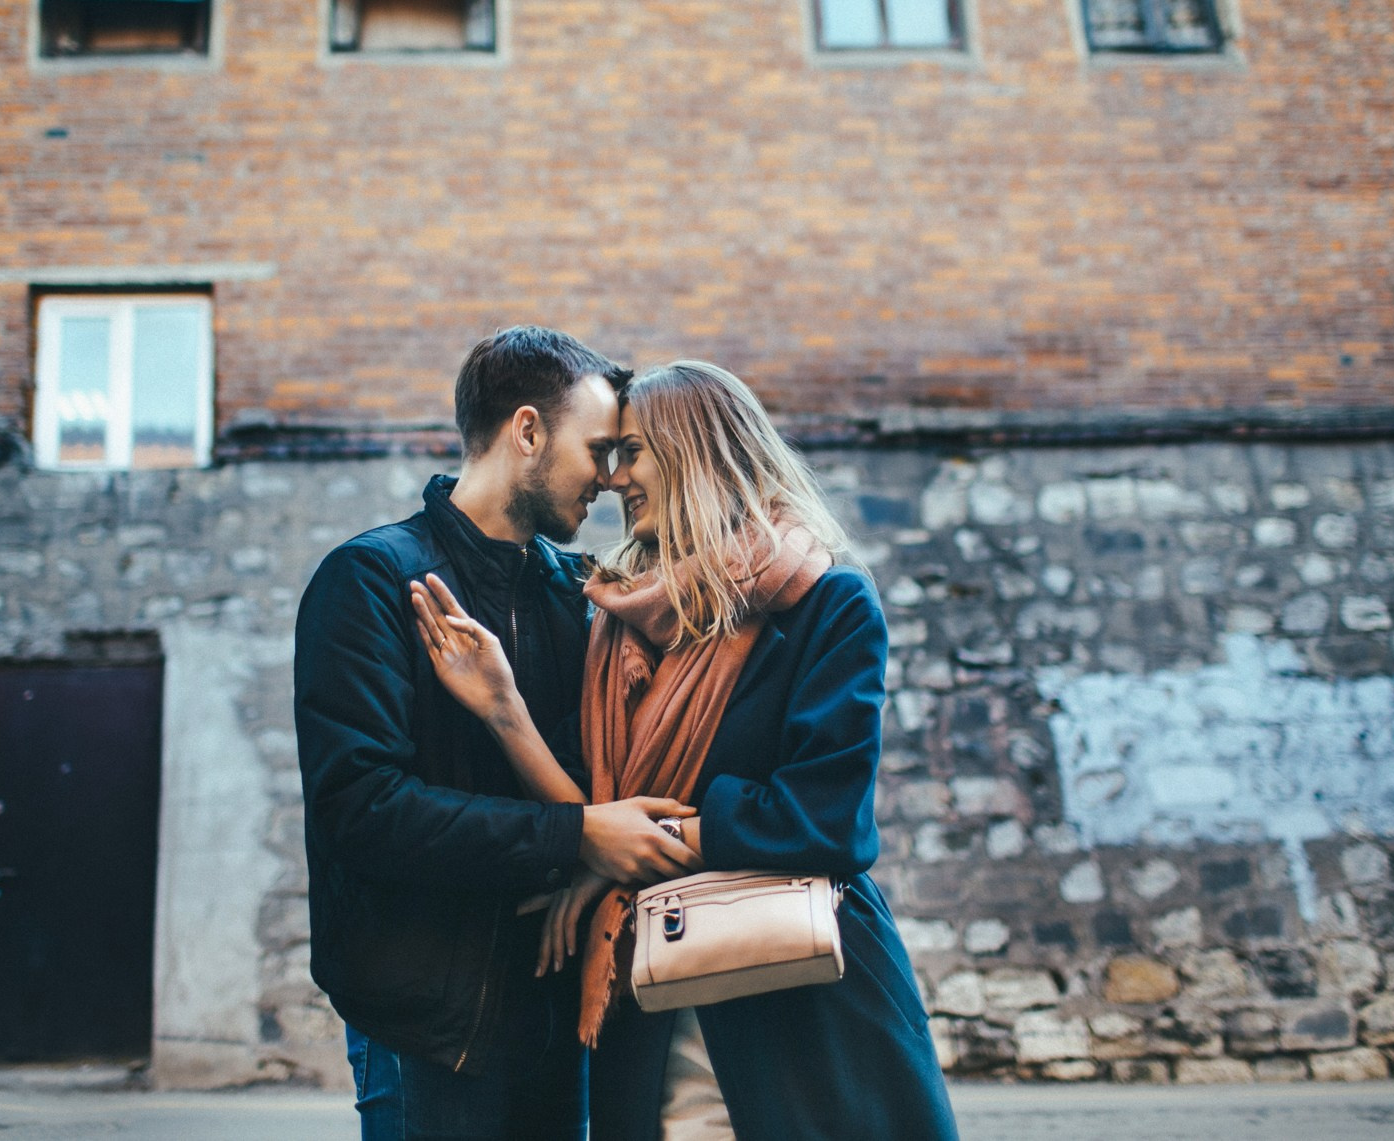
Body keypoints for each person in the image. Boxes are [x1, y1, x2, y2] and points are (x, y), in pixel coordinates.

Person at [409, 360, 959, 1141]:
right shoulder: (614, 624)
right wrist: (504, 710)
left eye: (631, 450)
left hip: (801, 1006)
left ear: (695, 450)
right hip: (651, 1011)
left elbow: (825, 822)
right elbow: (587, 811)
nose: (613, 474)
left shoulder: (826, 603)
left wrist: (630, 847)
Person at [294, 327, 702, 1141]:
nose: (612, 477)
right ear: (526, 432)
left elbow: (605, 780)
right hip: (427, 1028)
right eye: (599, 449)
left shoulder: (578, 598)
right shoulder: (373, 580)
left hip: (555, 1021)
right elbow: (366, 811)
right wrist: (575, 834)